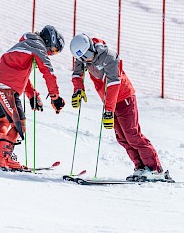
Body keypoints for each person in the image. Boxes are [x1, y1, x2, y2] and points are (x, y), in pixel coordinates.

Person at [69, 33, 170, 181]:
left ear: (91, 47)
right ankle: (141, 167)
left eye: (88, 56)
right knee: (122, 138)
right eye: (83, 58)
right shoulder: (82, 56)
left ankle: (155, 169)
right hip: (109, 100)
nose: (86, 60)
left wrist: (109, 111)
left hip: (124, 97)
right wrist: (78, 90)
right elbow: (77, 74)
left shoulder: (108, 56)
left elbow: (113, 84)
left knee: (133, 135)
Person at [0, 25, 66, 170]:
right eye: (54, 50)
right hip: (5, 89)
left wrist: (32, 95)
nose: (50, 54)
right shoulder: (38, 46)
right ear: (50, 41)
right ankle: (4, 159)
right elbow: (48, 72)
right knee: (20, 126)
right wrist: (55, 97)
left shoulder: (24, 44)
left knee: (4, 120)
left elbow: (21, 76)